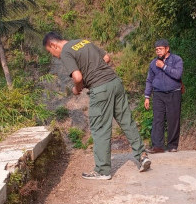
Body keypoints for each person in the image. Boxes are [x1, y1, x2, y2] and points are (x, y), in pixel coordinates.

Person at [43, 32, 151, 180]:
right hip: (115, 82)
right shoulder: (82, 41)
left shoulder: (66, 51)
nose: (55, 56)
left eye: (51, 53)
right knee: (127, 121)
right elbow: (106, 58)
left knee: (100, 127)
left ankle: (102, 170)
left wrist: (77, 88)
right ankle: (142, 156)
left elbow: (77, 77)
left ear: (53, 45)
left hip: (100, 89)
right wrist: (95, 70)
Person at [144, 38, 183, 153]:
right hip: (158, 94)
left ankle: (172, 146)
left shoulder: (177, 60)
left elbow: (177, 74)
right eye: (156, 50)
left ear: (167, 49)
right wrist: (147, 96)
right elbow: (149, 80)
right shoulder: (153, 63)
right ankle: (157, 146)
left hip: (174, 92)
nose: (158, 51)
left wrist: (163, 66)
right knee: (157, 119)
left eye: (160, 49)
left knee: (173, 119)